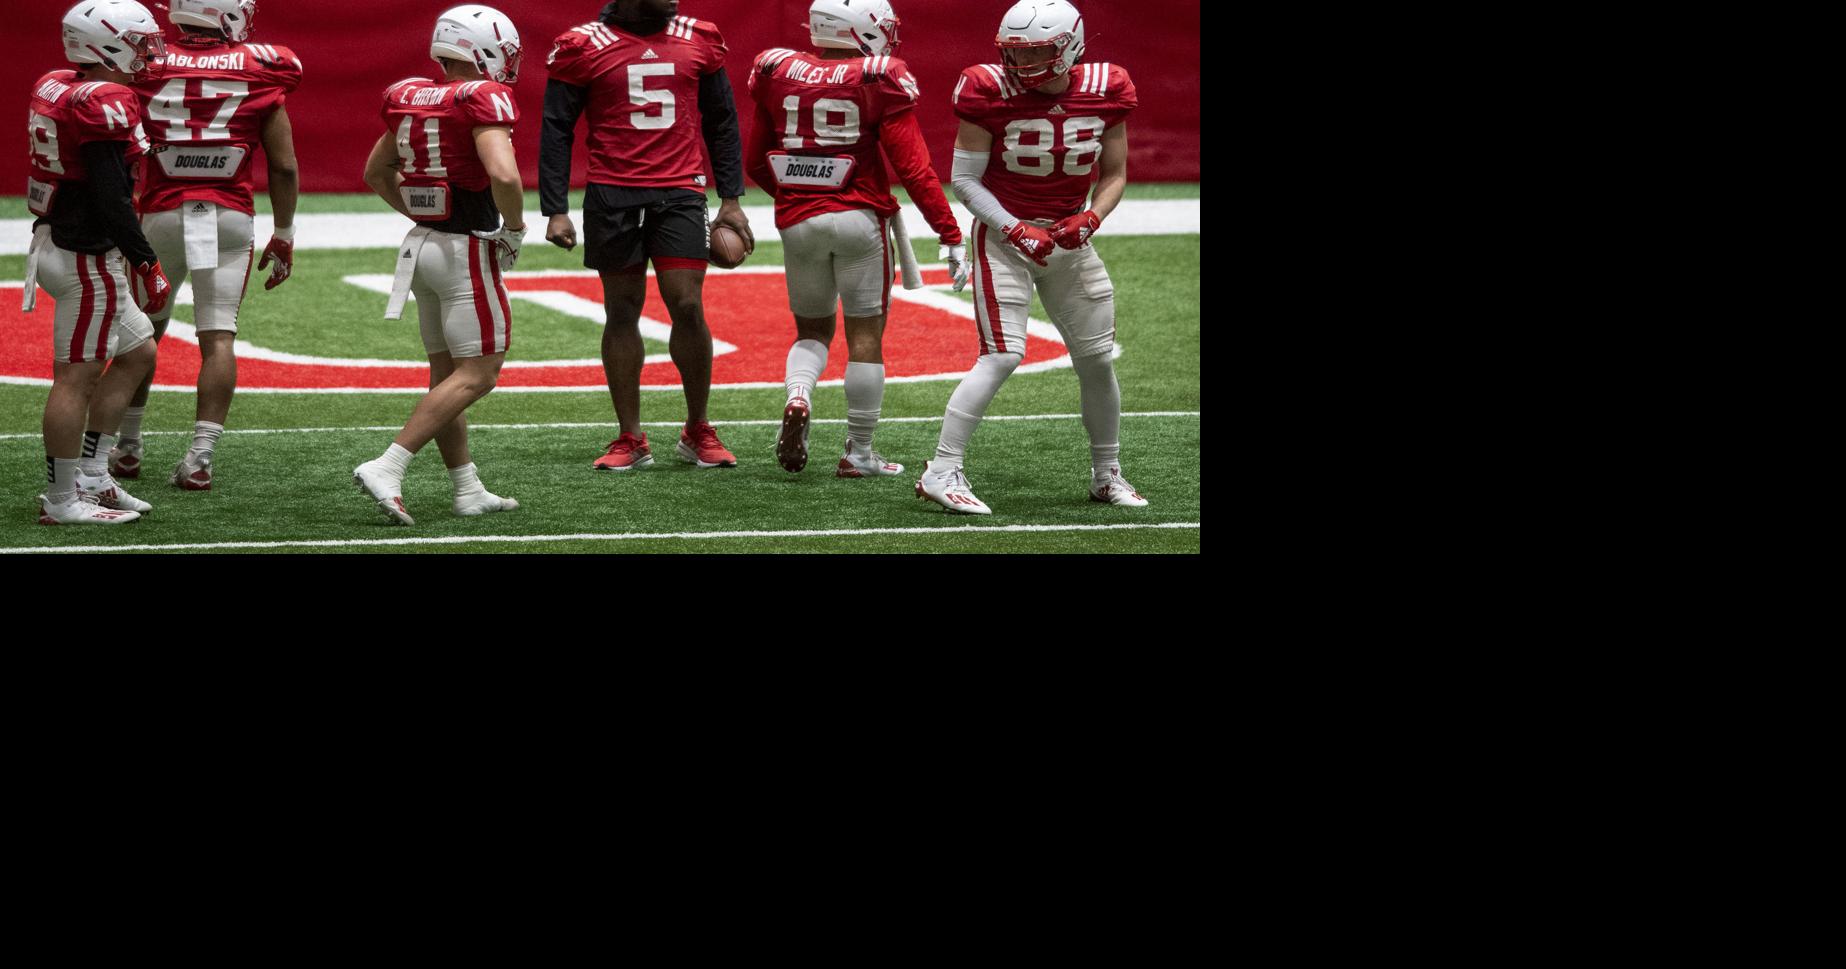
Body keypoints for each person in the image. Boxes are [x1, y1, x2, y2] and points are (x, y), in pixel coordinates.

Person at [915, 0, 1146, 515]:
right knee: (1001, 354)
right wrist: (1013, 228)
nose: (1022, 66)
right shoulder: (987, 89)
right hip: (1004, 239)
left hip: (1069, 237)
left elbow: (1113, 174)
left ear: (1070, 47)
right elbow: (966, 179)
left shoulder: (1107, 88)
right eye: (1014, 54)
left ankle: (1107, 474)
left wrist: (1090, 219)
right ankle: (941, 469)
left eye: (1037, 52)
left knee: (1096, 359)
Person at [745, 0, 967, 478]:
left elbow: (755, 161)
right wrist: (948, 231)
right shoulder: (878, 75)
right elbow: (913, 167)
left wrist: (798, 195)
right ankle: (859, 453)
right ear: (862, 30)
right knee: (865, 336)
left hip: (797, 220)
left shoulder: (778, 69)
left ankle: (799, 394)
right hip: (859, 218)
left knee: (811, 331)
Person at [541, 0, 754, 471]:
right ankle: (630, 436)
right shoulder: (582, 45)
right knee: (621, 308)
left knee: (687, 304)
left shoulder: (699, 36)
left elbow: (722, 119)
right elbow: (557, 129)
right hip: (612, 194)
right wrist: (555, 209)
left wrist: (732, 198)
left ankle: (698, 427)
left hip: (679, 190)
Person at [110, 0, 301, 491]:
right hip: (229, 215)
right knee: (218, 337)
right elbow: (283, 165)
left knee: (142, 334)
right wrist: (284, 232)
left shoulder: (147, 63)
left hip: (160, 215)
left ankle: (127, 447)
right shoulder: (263, 65)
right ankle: (200, 456)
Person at [350, 4, 526, 525]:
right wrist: (513, 229)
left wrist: (422, 211)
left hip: (421, 246)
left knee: (446, 373)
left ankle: (466, 488)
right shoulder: (482, 96)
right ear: (483, 49)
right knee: (480, 371)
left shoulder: (411, 98)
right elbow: (506, 177)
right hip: (466, 247)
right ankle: (389, 464)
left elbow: (376, 172)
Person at [24, 1, 172, 525]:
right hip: (86, 257)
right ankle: (62, 500)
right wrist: (146, 259)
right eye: (139, 41)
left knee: (138, 353)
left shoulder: (60, 82)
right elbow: (111, 194)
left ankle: (91, 472)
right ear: (105, 46)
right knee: (75, 379)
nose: (149, 52)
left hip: (59, 242)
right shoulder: (104, 99)